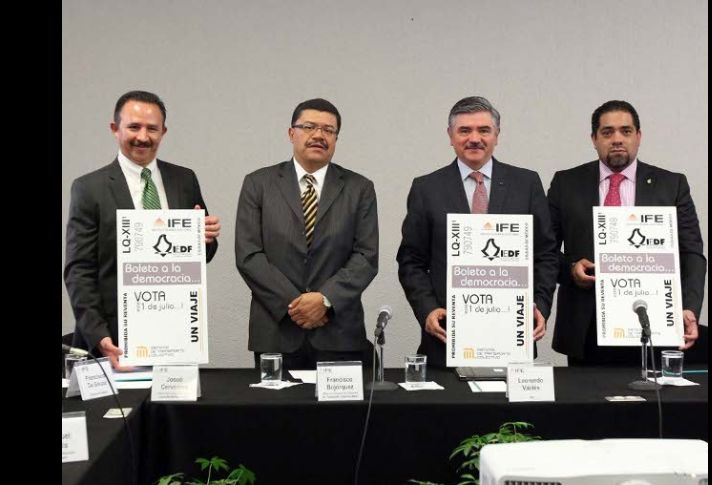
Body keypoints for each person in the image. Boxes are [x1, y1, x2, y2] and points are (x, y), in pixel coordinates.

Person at [397, 96, 559, 367]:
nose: (475, 138)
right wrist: (427, 310)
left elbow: (546, 255)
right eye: (464, 130)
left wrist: (540, 307)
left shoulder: (526, 184)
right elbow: (411, 261)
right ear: (450, 136)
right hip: (447, 337)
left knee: (512, 412)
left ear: (497, 135)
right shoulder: (427, 188)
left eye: (484, 130)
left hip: (513, 337)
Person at [64, 90, 221, 369]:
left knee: (175, 413)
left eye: (152, 128)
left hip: (176, 333)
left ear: (164, 132)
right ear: (115, 129)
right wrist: (99, 335)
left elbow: (203, 255)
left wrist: (204, 238)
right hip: (114, 340)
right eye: (133, 127)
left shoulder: (184, 179)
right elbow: (79, 270)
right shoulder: (89, 188)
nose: (143, 136)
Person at [548, 100, 707, 365]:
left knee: (652, 404)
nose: (617, 139)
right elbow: (545, 252)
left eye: (626, 131)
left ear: (639, 136)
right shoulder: (566, 183)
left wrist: (689, 307)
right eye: (607, 132)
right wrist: (572, 269)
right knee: (587, 405)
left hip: (653, 320)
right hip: (587, 327)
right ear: (594, 139)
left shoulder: (671, 185)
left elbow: (691, 253)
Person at [235, 98, 378, 369]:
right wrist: (297, 305)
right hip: (277, 333)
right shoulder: (258, 184)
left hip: (338, 334)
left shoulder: (359, 188)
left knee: (340, 413)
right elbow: (249, 255)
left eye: (328, 130)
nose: (318, 136)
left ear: (336, 138)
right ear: (291, 133)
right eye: (309, 126)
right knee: (275, 412)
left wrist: (324, 300)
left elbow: (366, 257)